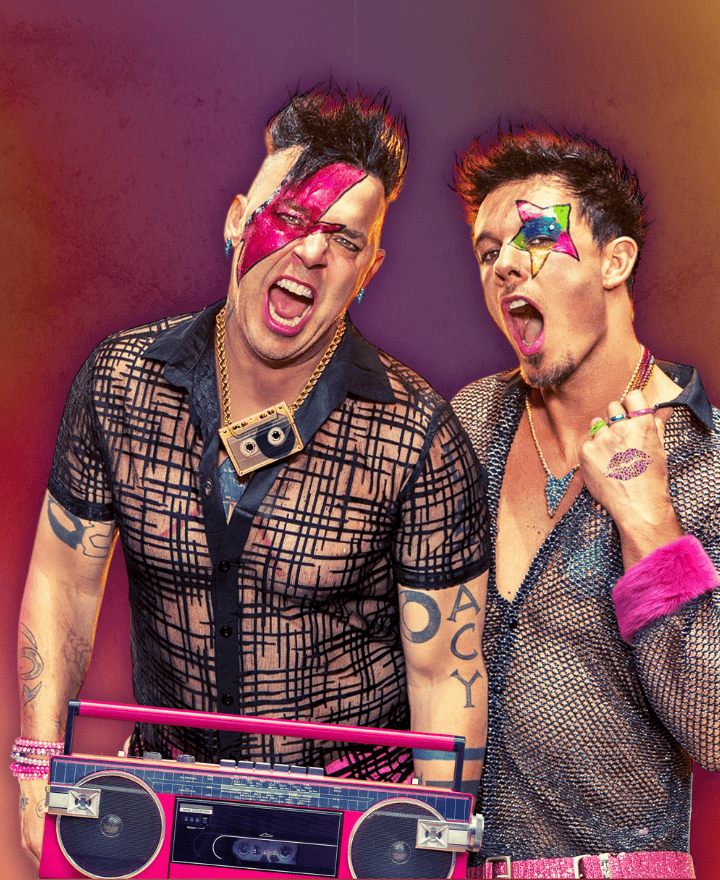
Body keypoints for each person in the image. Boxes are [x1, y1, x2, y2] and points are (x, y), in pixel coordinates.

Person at [16, 86, 489, 866]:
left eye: (344, 239)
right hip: (161, 819)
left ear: (369, 269)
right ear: (239, 218)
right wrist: (37, 772)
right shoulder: (121, 383)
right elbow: (62, 584)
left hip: (351, 832)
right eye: (293, 217)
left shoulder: (419, 437)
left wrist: (437, 850)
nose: (312, 253)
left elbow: (446, 674)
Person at [450, 128, 720, 879]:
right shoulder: (471, 424)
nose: (505, 263)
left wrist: (648, 520)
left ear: (615, 261)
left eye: (534, 237)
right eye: (487, 251)